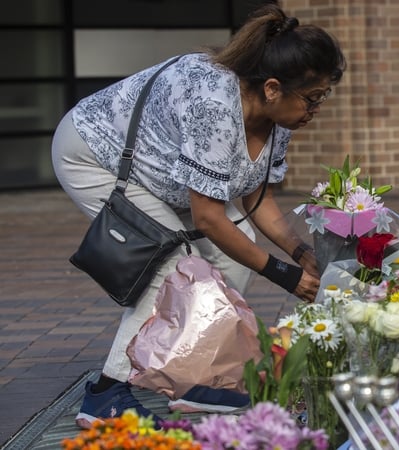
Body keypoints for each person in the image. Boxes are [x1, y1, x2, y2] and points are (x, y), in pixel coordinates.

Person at [51, 3, 344, 428]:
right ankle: (105, 395)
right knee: (170, 269)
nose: (316, 110)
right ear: (273, 88)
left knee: (230, 258)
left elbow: (254, 199)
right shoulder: (214, 101)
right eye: (313, 98)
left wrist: (300, 252)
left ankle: (195, 376)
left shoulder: (277, 120)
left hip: (164, 174)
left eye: (323, 97)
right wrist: (285, 275)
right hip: (95, 156)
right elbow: (208, 218)